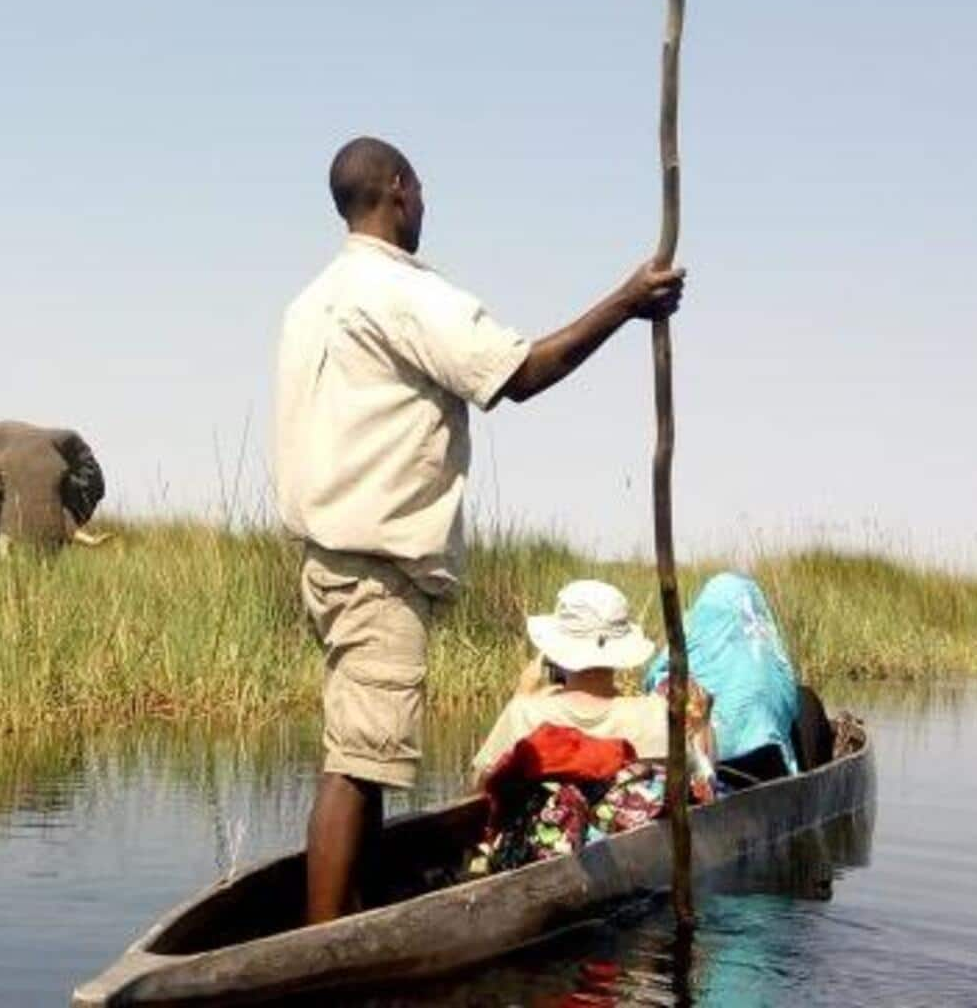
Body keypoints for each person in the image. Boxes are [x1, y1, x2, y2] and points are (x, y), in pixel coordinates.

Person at [272, 136, 686, 924]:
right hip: (376, 564)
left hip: (327, 559)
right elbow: (519, 374)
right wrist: (627, 303)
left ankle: (353, 908)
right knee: (357, 763)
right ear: (396, 190)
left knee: (365, 752)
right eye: (421, 189)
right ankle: (324, 942)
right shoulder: (397, 293)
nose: (425, 204)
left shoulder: (311, 302)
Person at [469, 580, 672, 779]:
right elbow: (691, 783)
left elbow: (481, 785)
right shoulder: (655, 714)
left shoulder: (525, 714)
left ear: (556, 649)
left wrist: (520, 696)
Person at [645, 571, 805, 787]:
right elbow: (792, 705)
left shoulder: (699, 629)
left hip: (718, 764)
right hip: (770, 763)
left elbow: (653, 678)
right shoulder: (771, 654)